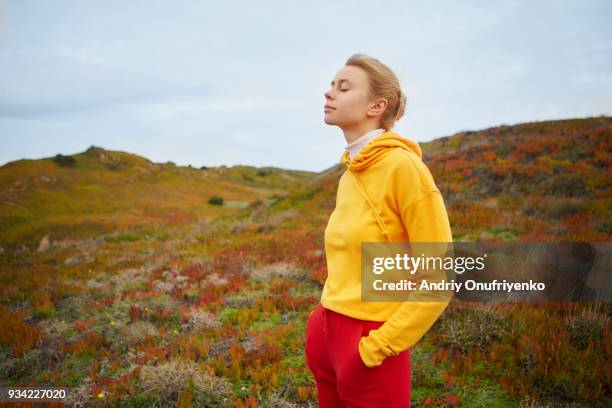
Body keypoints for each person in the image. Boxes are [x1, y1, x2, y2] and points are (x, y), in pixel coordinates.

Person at [305, 53, 454, 407]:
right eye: (331, 85)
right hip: (327, 330)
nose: (329, 93)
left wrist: (377, 347)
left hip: (371, 343)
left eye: (343, 87)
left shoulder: (403, 168)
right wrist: (322, 328)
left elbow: (439, 277)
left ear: (377, 105)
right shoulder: (351, 173)